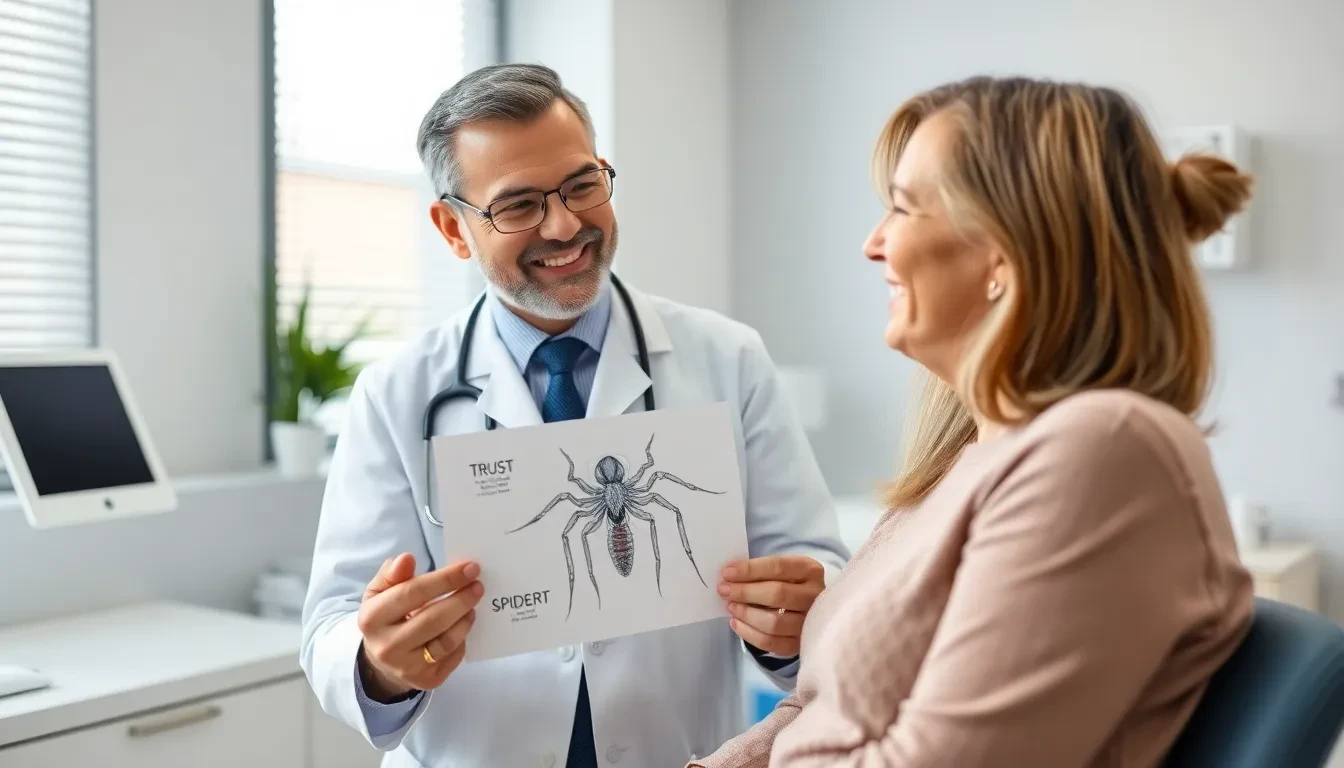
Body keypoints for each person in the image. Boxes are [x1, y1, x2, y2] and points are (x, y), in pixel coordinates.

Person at [692, 75, 1256, 768]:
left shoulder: (1103, 453)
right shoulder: (970, 457)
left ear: (1000, 250)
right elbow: (820, 705)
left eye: (901, 209)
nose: (874, 245)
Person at [299, 63, 849, 768]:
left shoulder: (729, 359)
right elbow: (330, 629)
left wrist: (797, 615)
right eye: (518, 205)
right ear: (453, 228)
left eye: (583, 185)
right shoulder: (396, 393)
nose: (565, 225)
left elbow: (818, 572)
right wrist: (380, 663)